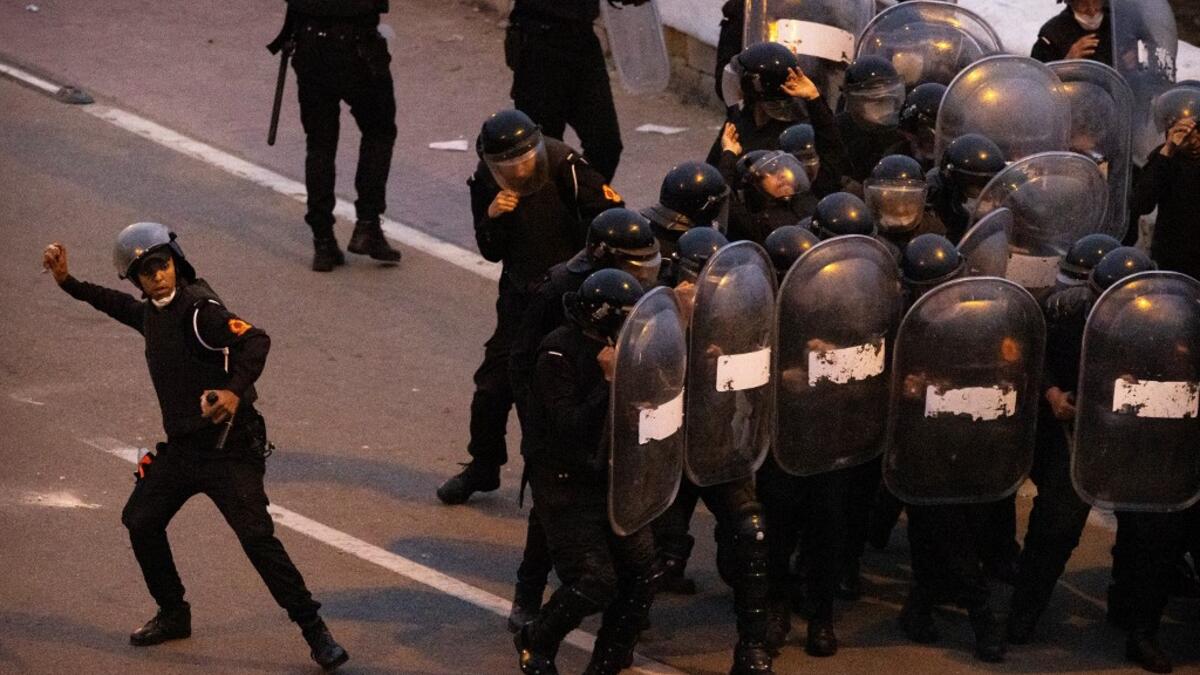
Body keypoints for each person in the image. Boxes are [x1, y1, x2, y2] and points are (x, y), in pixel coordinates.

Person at [41, 223, 348, 671]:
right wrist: (68, 281)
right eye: (146, 271)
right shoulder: (152, 313)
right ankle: (173, 613)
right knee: (141, 520)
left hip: (230, 450)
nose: (157, 275)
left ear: (176, 260)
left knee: (257, 540)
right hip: (185, 450)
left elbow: (256, 340)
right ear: (137, 280)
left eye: (162, 264)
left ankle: (315, 632)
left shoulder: (201, 311)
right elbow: (114, 304)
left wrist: (233, 393)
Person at [437, 110, 623, 506]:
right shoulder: (487, 182)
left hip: (573, 299)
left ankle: (585, 476)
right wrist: (493, 217)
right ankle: (483, 464)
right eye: (509, 164)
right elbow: (490, 251)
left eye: (525, 158)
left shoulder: (566, 168)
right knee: (492, 387)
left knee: (575, 391)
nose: (520, 169)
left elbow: (612, 220)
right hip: (521, 300)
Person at [505, 208, 661, 632]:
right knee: (550, 509)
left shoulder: (632, 296)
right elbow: (520, 358)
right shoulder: (559, 289)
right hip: (559, 404)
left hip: (610, 403)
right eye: (632, 264)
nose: (643, 275)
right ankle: (528, 593)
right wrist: (538, 423)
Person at [1005, 239, 1138, 647]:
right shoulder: (1064, 315)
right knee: (1056, 527)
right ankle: (1023, 613)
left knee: (1148, 529)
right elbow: (1035, 354)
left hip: (1134, 438)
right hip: (1076, 433)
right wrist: (1052, 394)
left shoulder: (1163, 327)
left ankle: (1135, 618)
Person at [892, 235, 1007, 663]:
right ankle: (982, 614)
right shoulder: (901, 319)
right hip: (922, 444)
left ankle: (920, 604)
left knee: (951, 529)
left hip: (972, 437)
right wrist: (903, 386)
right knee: (941, 529)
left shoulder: (983, 317)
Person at [268, 0, 403, 272]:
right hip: (358, 47)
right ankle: (367, 223)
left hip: (310, 44)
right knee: (379, 131)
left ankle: (323, 241)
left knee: (319, 144)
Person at [505, 0, 649, 182]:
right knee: (544, 152)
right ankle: (557, 205)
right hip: (539, 45)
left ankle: (583, 201)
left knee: (605, 145)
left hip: (582, 42)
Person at [1134, 90, 1200, 281]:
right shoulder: (1164, 159)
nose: (1194, 140)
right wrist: (1168, 152)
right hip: (1176, 257)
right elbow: (1142, 203)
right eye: (1186, 135)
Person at [926, 134, 1007, 244]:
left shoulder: (998, 198)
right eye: (978, 186)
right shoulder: (933, 197)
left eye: (991, 186)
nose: (988, 195)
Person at [1031, 0, 1113, 65]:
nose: (1091, 11)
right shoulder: (1052, 34)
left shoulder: (1117, 22)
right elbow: (1038, 78)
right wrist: (1067, 63)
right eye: (1083, 4)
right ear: (1071, 2)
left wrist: (1124, 62)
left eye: (1096, 1)